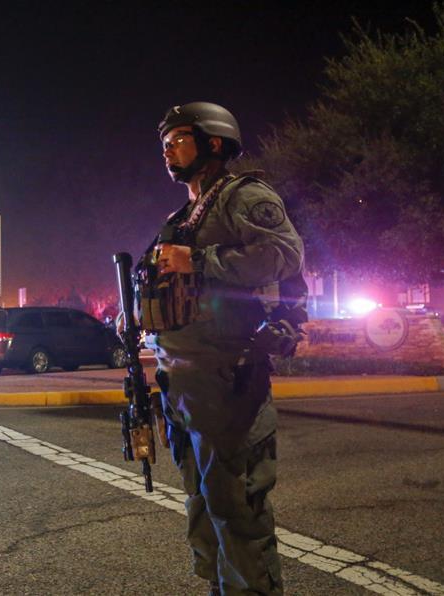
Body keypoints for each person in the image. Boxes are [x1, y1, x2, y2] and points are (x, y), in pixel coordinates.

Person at [143, 102, 304, 595]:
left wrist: (200, 259)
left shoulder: (242, 195)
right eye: (164, 144)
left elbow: (284, 253)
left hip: (228, 381)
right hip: (184, 386)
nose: (168, 151)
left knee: (237, 509)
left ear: (214, 142)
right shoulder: (180, 217)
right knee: (203, 505)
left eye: (179, 140)